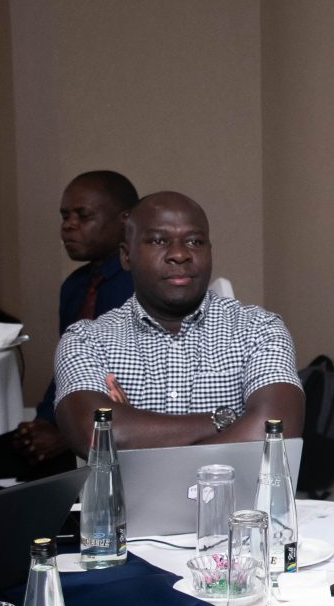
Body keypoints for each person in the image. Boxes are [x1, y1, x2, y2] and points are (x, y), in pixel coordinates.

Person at [54, 191, 304, 456]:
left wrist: (133, 425)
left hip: (234, 498)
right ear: (126, 257)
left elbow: (277, 433)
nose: (179, 254)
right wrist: (225, 420)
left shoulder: (259, 330)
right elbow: (95, 434)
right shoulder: (86, 341)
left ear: (210, 251)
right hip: (124, 500)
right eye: (158, 240)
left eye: (195, 241)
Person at [0, 171, 137, 486]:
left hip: (105, 436)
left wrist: (67, 433)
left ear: (124, 220)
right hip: (62, 425)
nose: (68, 225)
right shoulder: (74, 287)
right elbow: (67, 368)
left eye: (82, 215)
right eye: (65, 216)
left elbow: (131, 383)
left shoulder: (140, 290)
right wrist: (43, 423)